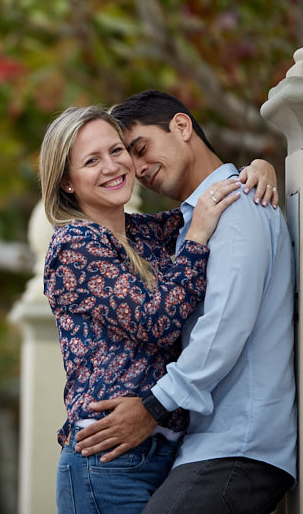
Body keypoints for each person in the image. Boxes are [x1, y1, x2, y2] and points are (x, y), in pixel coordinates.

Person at [39, 105, 278, 514]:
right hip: (106, 463)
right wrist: (198, 238)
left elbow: (209, 199)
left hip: (162, 454)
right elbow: (157, 321)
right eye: (92, 161)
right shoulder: (75, 245)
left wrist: (260, 168)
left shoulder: (143, 232)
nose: (113, 166)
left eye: (117, 151)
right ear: (67, 183)